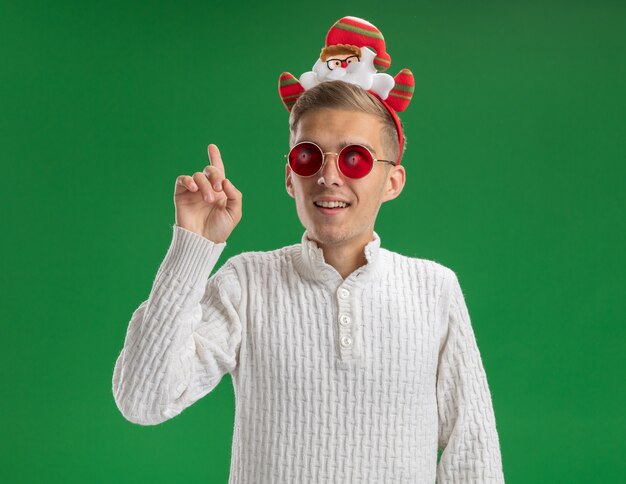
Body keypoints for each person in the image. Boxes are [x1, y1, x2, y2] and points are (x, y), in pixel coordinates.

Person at [112, 16, 505, 483]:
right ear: (289, 176)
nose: (329, 176)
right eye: (309, 156)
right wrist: (193, 247)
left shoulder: (434, 290)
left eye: (355, 158)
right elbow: (143, 399)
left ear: (393, 181)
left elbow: (473, 455)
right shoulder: (246, 283)